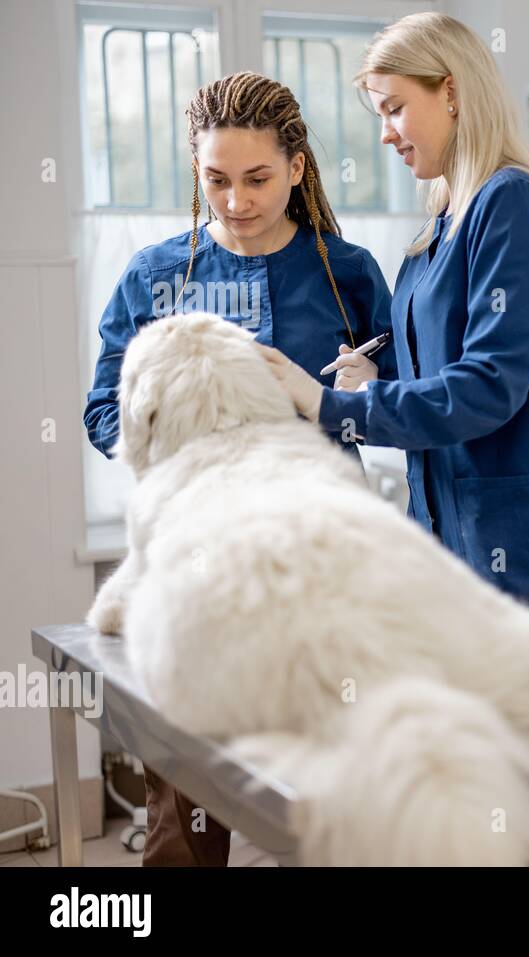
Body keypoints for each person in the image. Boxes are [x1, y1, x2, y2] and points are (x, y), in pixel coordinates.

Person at [84, 71, 396, 866]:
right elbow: (101, 413)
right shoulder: (156, 278)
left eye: (256, 178)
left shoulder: (348, 273)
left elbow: (404, 401)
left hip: (319, 561)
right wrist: (181, 432)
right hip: (194, 565)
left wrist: (358, 393)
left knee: (340, 781)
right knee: (182, 802)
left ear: (297, 167)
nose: (234, 200)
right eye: (215, 179)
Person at [259, 12, 529, 630]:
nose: (387, 134)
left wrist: (331, 406)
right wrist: (378, 371)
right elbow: (437, 365)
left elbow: (489, 385)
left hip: (524, 552)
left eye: (395, 108)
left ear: (450, 91)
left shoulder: (511, 202)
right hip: (451, 544)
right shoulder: (438, 226)